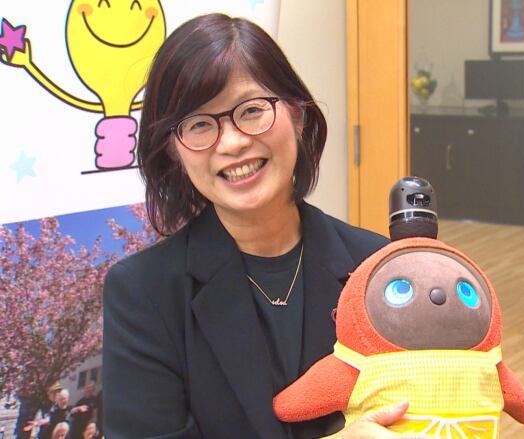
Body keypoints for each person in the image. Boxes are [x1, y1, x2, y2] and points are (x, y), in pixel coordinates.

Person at [102, 13, 417, 439]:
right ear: (174, 152)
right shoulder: (143, 293)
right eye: (199, 124)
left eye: (251, 110)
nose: (232, 142)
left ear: (298, 116)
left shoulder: (381, 268)